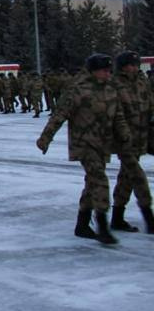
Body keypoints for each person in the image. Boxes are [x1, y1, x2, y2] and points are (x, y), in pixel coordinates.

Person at [37, 54, 130, 245]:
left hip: (102, 143)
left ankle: (82, 224)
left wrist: (125, 134)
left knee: (92, 183)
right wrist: (45, 138)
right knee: (100, 181)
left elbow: (118, 115)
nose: (107, 73)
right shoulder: (78, 90)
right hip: (84, 143)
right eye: (103, 70)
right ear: (93, 70)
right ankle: (103, 226)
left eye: (108, 70)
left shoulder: (110, 89)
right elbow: (59, 115)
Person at [110, 51, 154, 233]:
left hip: (141, 136)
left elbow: (150, 103)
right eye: (130, 65)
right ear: (122, 66)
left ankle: (117, 218)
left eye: (136, 64)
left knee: (126, 178)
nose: (133, 68)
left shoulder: (142, 81)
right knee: (137, 176)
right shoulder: (114, 84)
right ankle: (149, 217)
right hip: (123, 139)